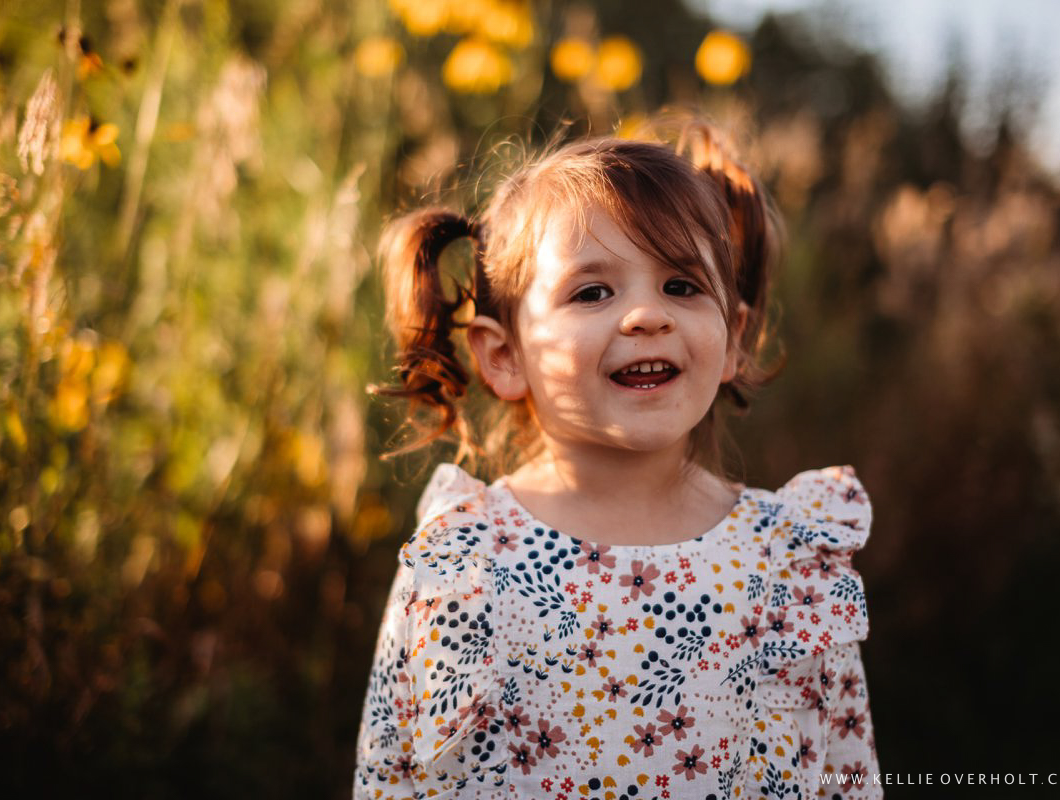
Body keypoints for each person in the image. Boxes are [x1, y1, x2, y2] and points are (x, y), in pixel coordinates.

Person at [353, 122, 881, 799]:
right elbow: (392, 778)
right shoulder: (463, 561)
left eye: (682, 287)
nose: (644, 317)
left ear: (733, 341)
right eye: (592, 292)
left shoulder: (793, 563)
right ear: (504, 355)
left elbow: (845, 774)